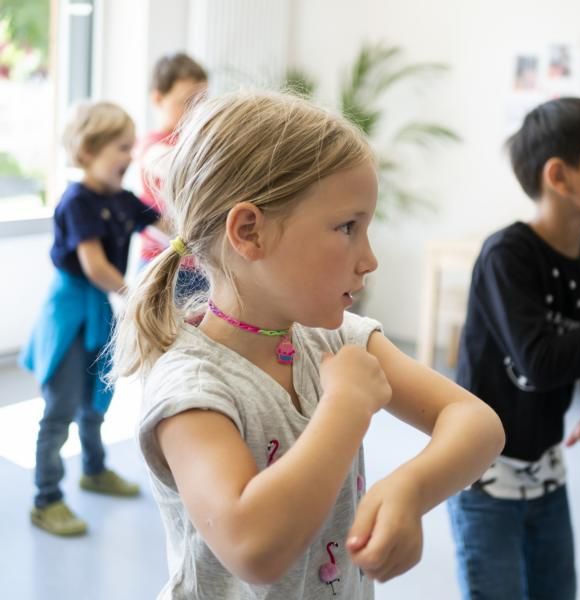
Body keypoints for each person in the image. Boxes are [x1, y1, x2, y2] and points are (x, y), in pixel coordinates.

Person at [109, 90, 505, 599]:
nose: (369, 259)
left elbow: (478, 424)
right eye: (346, 228)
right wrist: (345, 406)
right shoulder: (192, 387)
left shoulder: (339, 340)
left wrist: (410, 489)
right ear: (250, 232)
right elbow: (254, 548)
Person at [447, 97, 580, 600]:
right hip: (483, 481)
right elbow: (540, 362)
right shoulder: (508, 256)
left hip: (546, 479)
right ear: (560, 177)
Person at [21, 101, 160, 536]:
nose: (129, 156)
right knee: (60, 407)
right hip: (71, 313)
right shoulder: (78, 201)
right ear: (87, 152)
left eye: (131, 146)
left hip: (99, 310)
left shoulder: (121, 199)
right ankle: (46, 498)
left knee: (96, 402)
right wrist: (137, 294)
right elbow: (96, 267)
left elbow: (164, 222)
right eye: (121, 147)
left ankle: (94, 469)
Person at [137, 52, 208, 301]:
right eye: (186, 101)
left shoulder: (195, 142)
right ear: (158, 98)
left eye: (202, 101)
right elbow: (183, 168)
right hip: (162, 264)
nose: (196, 110)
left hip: (200, 267)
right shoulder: (152, 146)